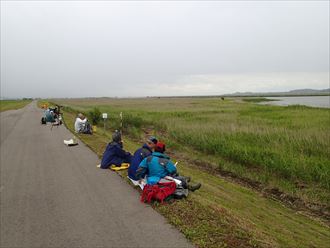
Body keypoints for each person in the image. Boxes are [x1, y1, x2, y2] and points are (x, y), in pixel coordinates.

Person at [136, 141, 201, 191]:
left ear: (154, 149)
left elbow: (139, 170)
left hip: (150, 179)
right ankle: (190, 187)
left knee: (176, 177)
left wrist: (140, 178)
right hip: (162, 181)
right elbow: (173, 170)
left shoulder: (148, 158)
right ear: (163, 151)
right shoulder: (165, 161)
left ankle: (186, 179)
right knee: (178, 178)